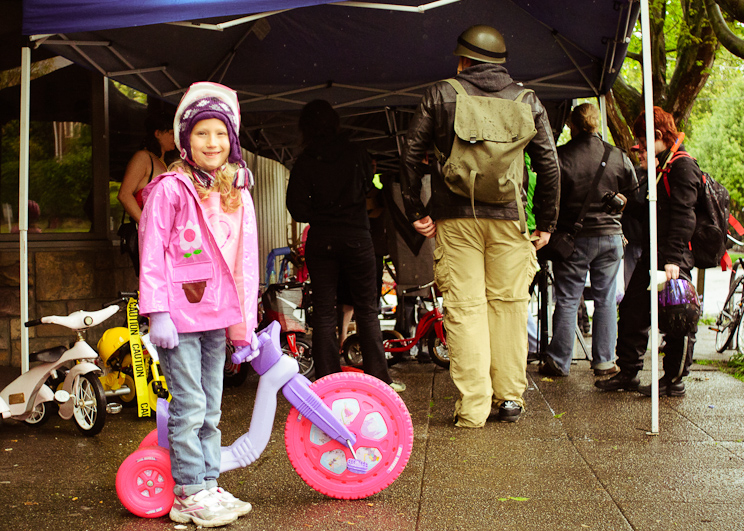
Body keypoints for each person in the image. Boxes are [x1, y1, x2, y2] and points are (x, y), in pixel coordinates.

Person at [400, 25, 560, 426]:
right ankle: (510, 399)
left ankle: (473, 408)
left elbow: (410, 154)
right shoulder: (527, 99)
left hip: (455, 219)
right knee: (508, 306)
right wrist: (547, 223)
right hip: (510, 220)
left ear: (463, 60)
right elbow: (549, 166)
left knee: (465, 308)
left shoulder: (441, 93)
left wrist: (416, 210)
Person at [138, 82, 259, 527]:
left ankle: (208, 482)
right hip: (178, 318)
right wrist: (158, 313)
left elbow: (242, 261)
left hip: (214, 316)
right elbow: (152, 253)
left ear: (233, 140)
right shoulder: (170, 189)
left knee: (210, 407)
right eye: (202, 133)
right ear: (184, 140)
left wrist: (242, 326)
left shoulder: (232, 191)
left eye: (221, 134)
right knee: (189, 406)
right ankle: (189, 492)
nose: (213, 142)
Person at [286, 99, 405, 393]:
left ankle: (326, 379)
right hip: (357, 236)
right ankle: (381, 378)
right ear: (336, 123)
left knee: (325, 310)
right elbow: (368, 187)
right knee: (367, 309)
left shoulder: (305, 161)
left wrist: (321, 213)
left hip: (322, 238)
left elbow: (296, 208)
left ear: (305, 128)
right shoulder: (357, 152)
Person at [595, 106, 701, 396]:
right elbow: (656, 213)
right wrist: (628, 205)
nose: (639, 148)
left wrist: (674, 259)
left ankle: (674, 380)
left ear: (658, 135)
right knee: (633, 310)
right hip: (655, 252)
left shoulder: (682, 166)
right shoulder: (662, 167)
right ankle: (628, 372)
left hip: (673, 257)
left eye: (642, 141)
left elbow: (684, 215)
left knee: (678, 316)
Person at [538, 103, 636, 378]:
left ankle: (559, 361)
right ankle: (604, 361)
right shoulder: (617, 155)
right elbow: (633, 193)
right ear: (596, 123)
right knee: (606, 299)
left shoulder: (561, 156)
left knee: (568, 299)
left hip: (573, 239)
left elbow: (548, 196)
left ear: (572, 125)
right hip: (611, 237)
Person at [118, 111, 176, 223]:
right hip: (148, 229)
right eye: (171, 133)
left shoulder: (163, 162)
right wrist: (146, 226)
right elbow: (124, 195)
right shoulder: (143, 157)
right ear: (157, 133)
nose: (175, 138)